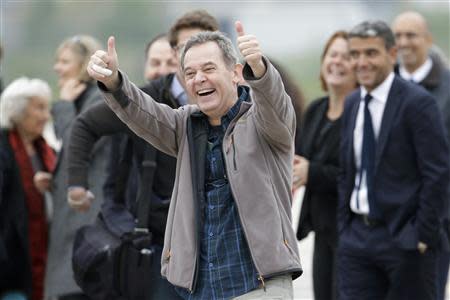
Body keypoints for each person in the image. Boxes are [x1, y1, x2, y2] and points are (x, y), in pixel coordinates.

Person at [88, 22, 302, 299]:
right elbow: (144, 114)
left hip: (260, 283)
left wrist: (259, 69)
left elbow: (275, 104)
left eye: (209, 69)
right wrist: (113, 81)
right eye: (189, 73)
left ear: (236, 73)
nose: (198, 78)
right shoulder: (186, 124)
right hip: (202, 288)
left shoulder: (265, 123)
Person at [337, 20, 450, 300]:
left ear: (391, 53)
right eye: (356, 54)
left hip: (405, 239)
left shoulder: (417, 103)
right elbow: (347, 170)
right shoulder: (352, 104)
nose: (362, 62)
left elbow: (436, 173)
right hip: (357, 240)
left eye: (371, 53)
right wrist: (345, 228)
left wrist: (423, 235)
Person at [44, 35, 111, 300]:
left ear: (83, 64)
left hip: (85, 223)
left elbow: (76, 143)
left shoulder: (97, 99)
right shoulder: (80, 101)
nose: (57, 68)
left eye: (64, 61)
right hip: (74, 221)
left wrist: (62, 107)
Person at [392, 11, 450, 300]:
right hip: (388, 217)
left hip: (436, 217)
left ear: (428, 39)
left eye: (411, 35)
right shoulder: (381, 84)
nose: (404, 42)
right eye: (398, 36)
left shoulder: (448, 86)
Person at [295, 30, 357, 300]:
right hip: (322, 231)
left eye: (347, 57)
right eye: (333, 55)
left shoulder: (362, 112)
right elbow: (301, 159)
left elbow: (358, 174)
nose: (337, 62)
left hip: (352, 233)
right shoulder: (316, 109)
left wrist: (312, 173)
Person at [0, 78, 55, 300]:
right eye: (39, 108)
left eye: (47, 108)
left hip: (41, 253)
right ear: (18, 110)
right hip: (9, 259)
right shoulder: (3, 148)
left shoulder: (46, 150)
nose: (46, 115)